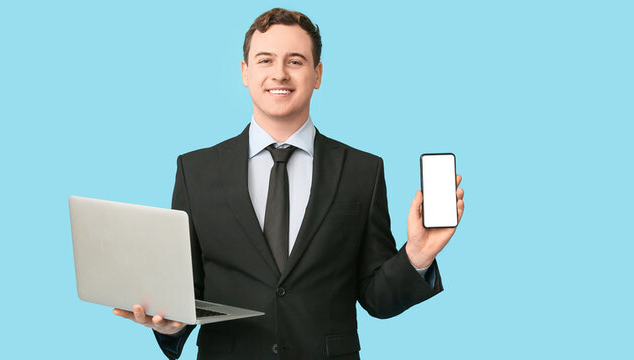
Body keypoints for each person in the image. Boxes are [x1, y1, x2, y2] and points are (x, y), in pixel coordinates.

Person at [113, 8, 465, 359]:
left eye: (295, 61)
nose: (279, 74)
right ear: (245, 72)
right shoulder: (195, 170)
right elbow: (188, 291)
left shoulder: (363, 171)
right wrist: (170, 323)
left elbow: (377, 299)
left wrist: (418, 254)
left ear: (318, 74)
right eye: (265, 60)